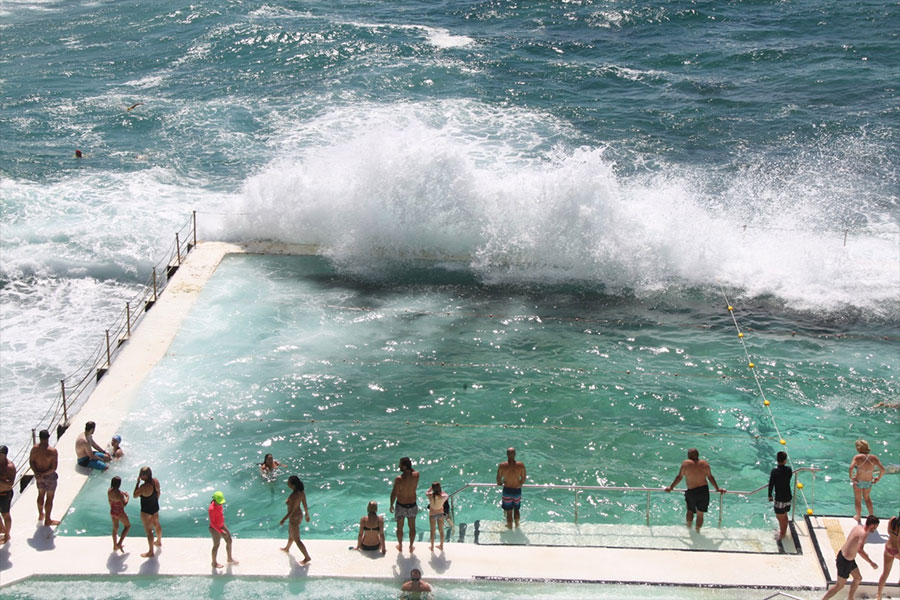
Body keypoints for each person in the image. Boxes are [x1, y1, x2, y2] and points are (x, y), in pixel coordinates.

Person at [665, 448, 725, 532]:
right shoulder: (705, 464)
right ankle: (697, 531)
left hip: (692, 491)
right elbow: (710, 477)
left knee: (690, 511)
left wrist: (671, 487)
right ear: (698, 455)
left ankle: (689, 528)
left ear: (688, 455)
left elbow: (679, 477)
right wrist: (717, 489)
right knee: (700, 515)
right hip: (703, 491)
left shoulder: (686, 463)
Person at [822, 515, 880, 600]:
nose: (875, 529)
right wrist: (871, 562)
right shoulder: (863, 534)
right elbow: (860, 550)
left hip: (847, 558)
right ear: (872, 525)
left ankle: (850, 598)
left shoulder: (858, 527)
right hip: (844, 561)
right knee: (839, 585)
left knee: (858, 578)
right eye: (876, 527)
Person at [849, 439, 885, 522]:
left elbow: (851, 467)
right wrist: (878, 478)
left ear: (858, 448)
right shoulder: (874, 458)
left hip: (858, 481)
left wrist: (851, 478)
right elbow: (882, 470)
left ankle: (858, 517)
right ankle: (871, 516)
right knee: (867, 498)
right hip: (868, 481)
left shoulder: (857, 457)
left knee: (858, 499)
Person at [29, 429, 60, 526]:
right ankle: (48, 520)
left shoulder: (34, 449)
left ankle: (40, 515)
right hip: (49, 476)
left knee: (40, 494)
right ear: (48, 437)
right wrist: (44, 474)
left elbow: (31, 462)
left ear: (39, 437)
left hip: (38, 475)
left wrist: (37, 473)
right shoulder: (52, 451)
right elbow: (54, 467)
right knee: (49, 498)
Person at [390, 457, 420, 552]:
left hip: (401, 505)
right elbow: (413, 471)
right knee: (412, 527)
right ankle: (411, 546)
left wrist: (391, 504)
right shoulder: (416, 475)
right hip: (412, 504)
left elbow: (394, 493)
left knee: (399, 528)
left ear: (404, 466)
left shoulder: (399, 479)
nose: (399, 466)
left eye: (400, 465)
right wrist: (409, 468)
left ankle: (400, 545)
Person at [279, 475, 311, 563]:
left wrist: (283, 519)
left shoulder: (293, 496)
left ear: (293, 485)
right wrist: (307, 515)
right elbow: (305, 504)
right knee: (291, 533)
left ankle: (307, 557)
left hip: (293, 517)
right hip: (299, 515)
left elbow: (291, 511)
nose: (287, 484)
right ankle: (287, 548)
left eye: (288, 483)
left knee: (297, 539)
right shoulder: (301, 492)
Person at [134, 466, 162, 557]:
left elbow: (135, 495)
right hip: (155, 507)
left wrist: (137, 483)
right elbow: (158, 492)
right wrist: (155, 501)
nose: (140, 476)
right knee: (157, 524)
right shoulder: (155, 481)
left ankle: (151, 551)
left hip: (146, 511)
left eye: (141, 475)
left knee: (149, 531)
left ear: (145, 476)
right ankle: (159, 541)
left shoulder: (143, 487)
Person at [496, 447, 526, 529]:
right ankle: (517, 525)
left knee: (509, 511)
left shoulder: (502, 466)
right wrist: (519, 483)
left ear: (507, 455)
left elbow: (498, 479)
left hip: (507, 490)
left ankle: (509, 526)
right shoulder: (521, 465)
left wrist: (501, 482)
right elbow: (523, 479)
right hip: (517, 490)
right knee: (517, 509)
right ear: (515, 454)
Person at [209, 490, 238, 568]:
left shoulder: (219, 504)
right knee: (216, 545)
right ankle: (214, 563)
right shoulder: (211, 509)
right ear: (215, 500)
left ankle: (229, 558)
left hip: (221, 525)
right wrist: (221, 531)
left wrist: (223, 527)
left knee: (229, 540)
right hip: (214, 528)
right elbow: (212, 523)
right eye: (219, 502)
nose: (221, 503)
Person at [768, 451, 793, 540]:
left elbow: (771, 484)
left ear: (777, 460)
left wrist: (770, 495)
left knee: (780, 518)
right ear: (785, 460)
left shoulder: (774, 471)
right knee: (785, 515)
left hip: (780, 498)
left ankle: (782, 534)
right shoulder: (789, 469)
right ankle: (783, 532)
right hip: (788, 497)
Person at [877, 511, 900, 600]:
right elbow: (899, 541)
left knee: (885, 573)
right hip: (897, 550)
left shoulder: (892, 519)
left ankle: (878, 594)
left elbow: (888, 532)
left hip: (888, 548)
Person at [108, 475, 130, 552]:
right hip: (120, 512)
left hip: (112, 511)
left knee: (115, 528)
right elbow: (124, 504)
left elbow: (110, 501)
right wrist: (127, 497)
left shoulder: (109, 491)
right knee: (127, 526)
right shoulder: (120, 495)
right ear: (119, 484)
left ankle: (115, 546)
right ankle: (119, 543)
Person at [426, 481, 448, 551]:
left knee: (432, 531)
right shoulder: (443, 497)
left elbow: (426, 492)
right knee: (441, 530)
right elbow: (447, 495)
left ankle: (432, 547)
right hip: (440, 514)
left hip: (432, 514)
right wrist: (441, 491)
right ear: (440, 488)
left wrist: (430, 489)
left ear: (432, 489)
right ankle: (441, 545)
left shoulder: (430, 496)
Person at [0, 445, 15, 544]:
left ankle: (7, 535)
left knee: (5, 515)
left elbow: (10, 484)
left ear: (5, 455)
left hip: (5, 494)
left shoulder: (9, 467)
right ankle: (2, 529)